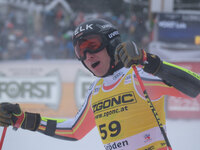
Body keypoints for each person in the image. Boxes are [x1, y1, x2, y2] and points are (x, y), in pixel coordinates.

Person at [0, 18, 200, 150]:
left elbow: (196, 86)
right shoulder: (95, 90)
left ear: (111, 43)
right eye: (80, 51)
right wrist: (24, 120)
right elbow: (74, 130)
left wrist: (148, 61)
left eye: (92, 46)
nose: (87, 56)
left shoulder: (138, 75)